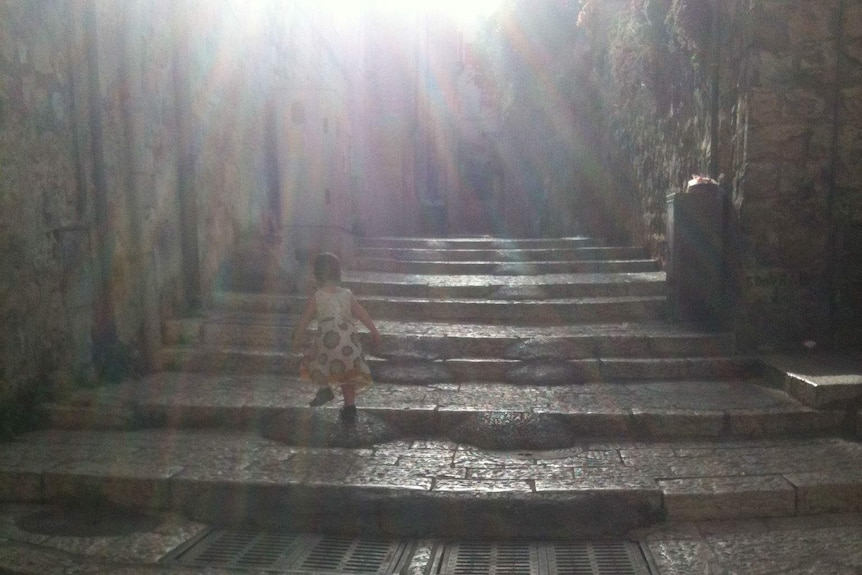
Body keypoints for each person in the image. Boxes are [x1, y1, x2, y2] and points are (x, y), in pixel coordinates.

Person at [291, 252, 381, 422]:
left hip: (327, 339)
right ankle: (350, 407)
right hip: (348, 341)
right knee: (348, 374)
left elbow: (305, 320)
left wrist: (297, 339)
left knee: (316, 362)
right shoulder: (347, 294)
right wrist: (375, 332)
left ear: (316, 274)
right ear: (338, 272)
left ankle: (324, 389)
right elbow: (362, 313)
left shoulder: (317, 296)